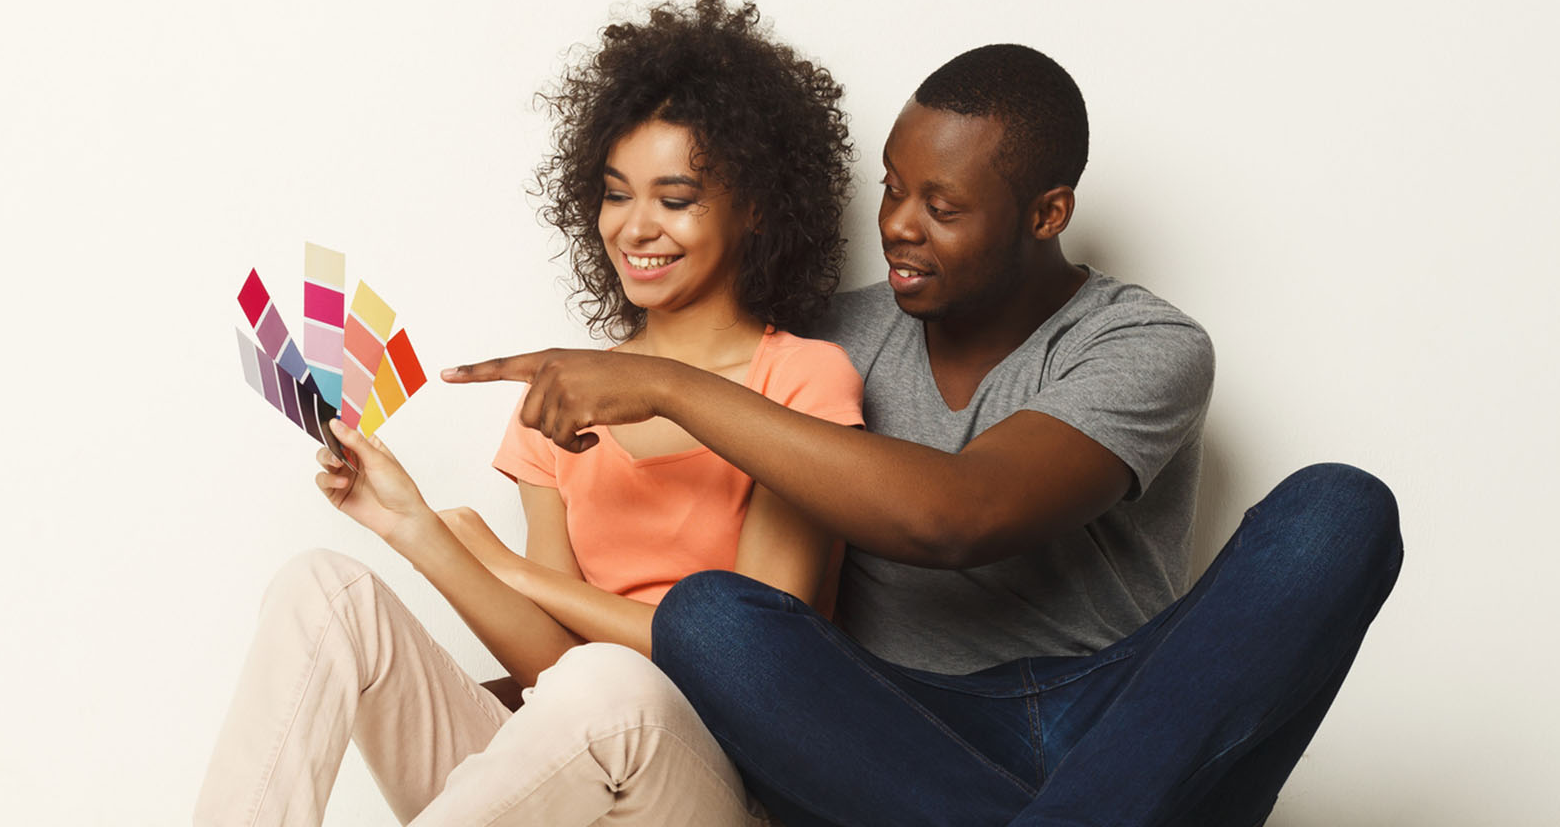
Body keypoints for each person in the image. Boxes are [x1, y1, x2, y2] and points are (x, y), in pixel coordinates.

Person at [445, 44, 1404, 826]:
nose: (900, 226)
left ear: (1047, 214)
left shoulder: (1144, 345)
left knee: (1339, 510)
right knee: (711, 614)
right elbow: (719, 613)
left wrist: (662, 385)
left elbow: (960, 515)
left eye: (940, 207)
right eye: (892, 189)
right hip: (895, 737)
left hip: (1131, 723)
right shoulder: (828, 337)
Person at [196, 0, 859, 826]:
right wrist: (417, 529)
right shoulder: (560, 395)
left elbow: (752, 666)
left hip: (724, 789)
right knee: (322, 589)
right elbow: (551, 669)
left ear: (756, 207)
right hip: (569, 764)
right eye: (617, 194)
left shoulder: (802, 381)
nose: (635, 227)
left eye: (676, 198)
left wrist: (511, 571)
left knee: (605, 682)